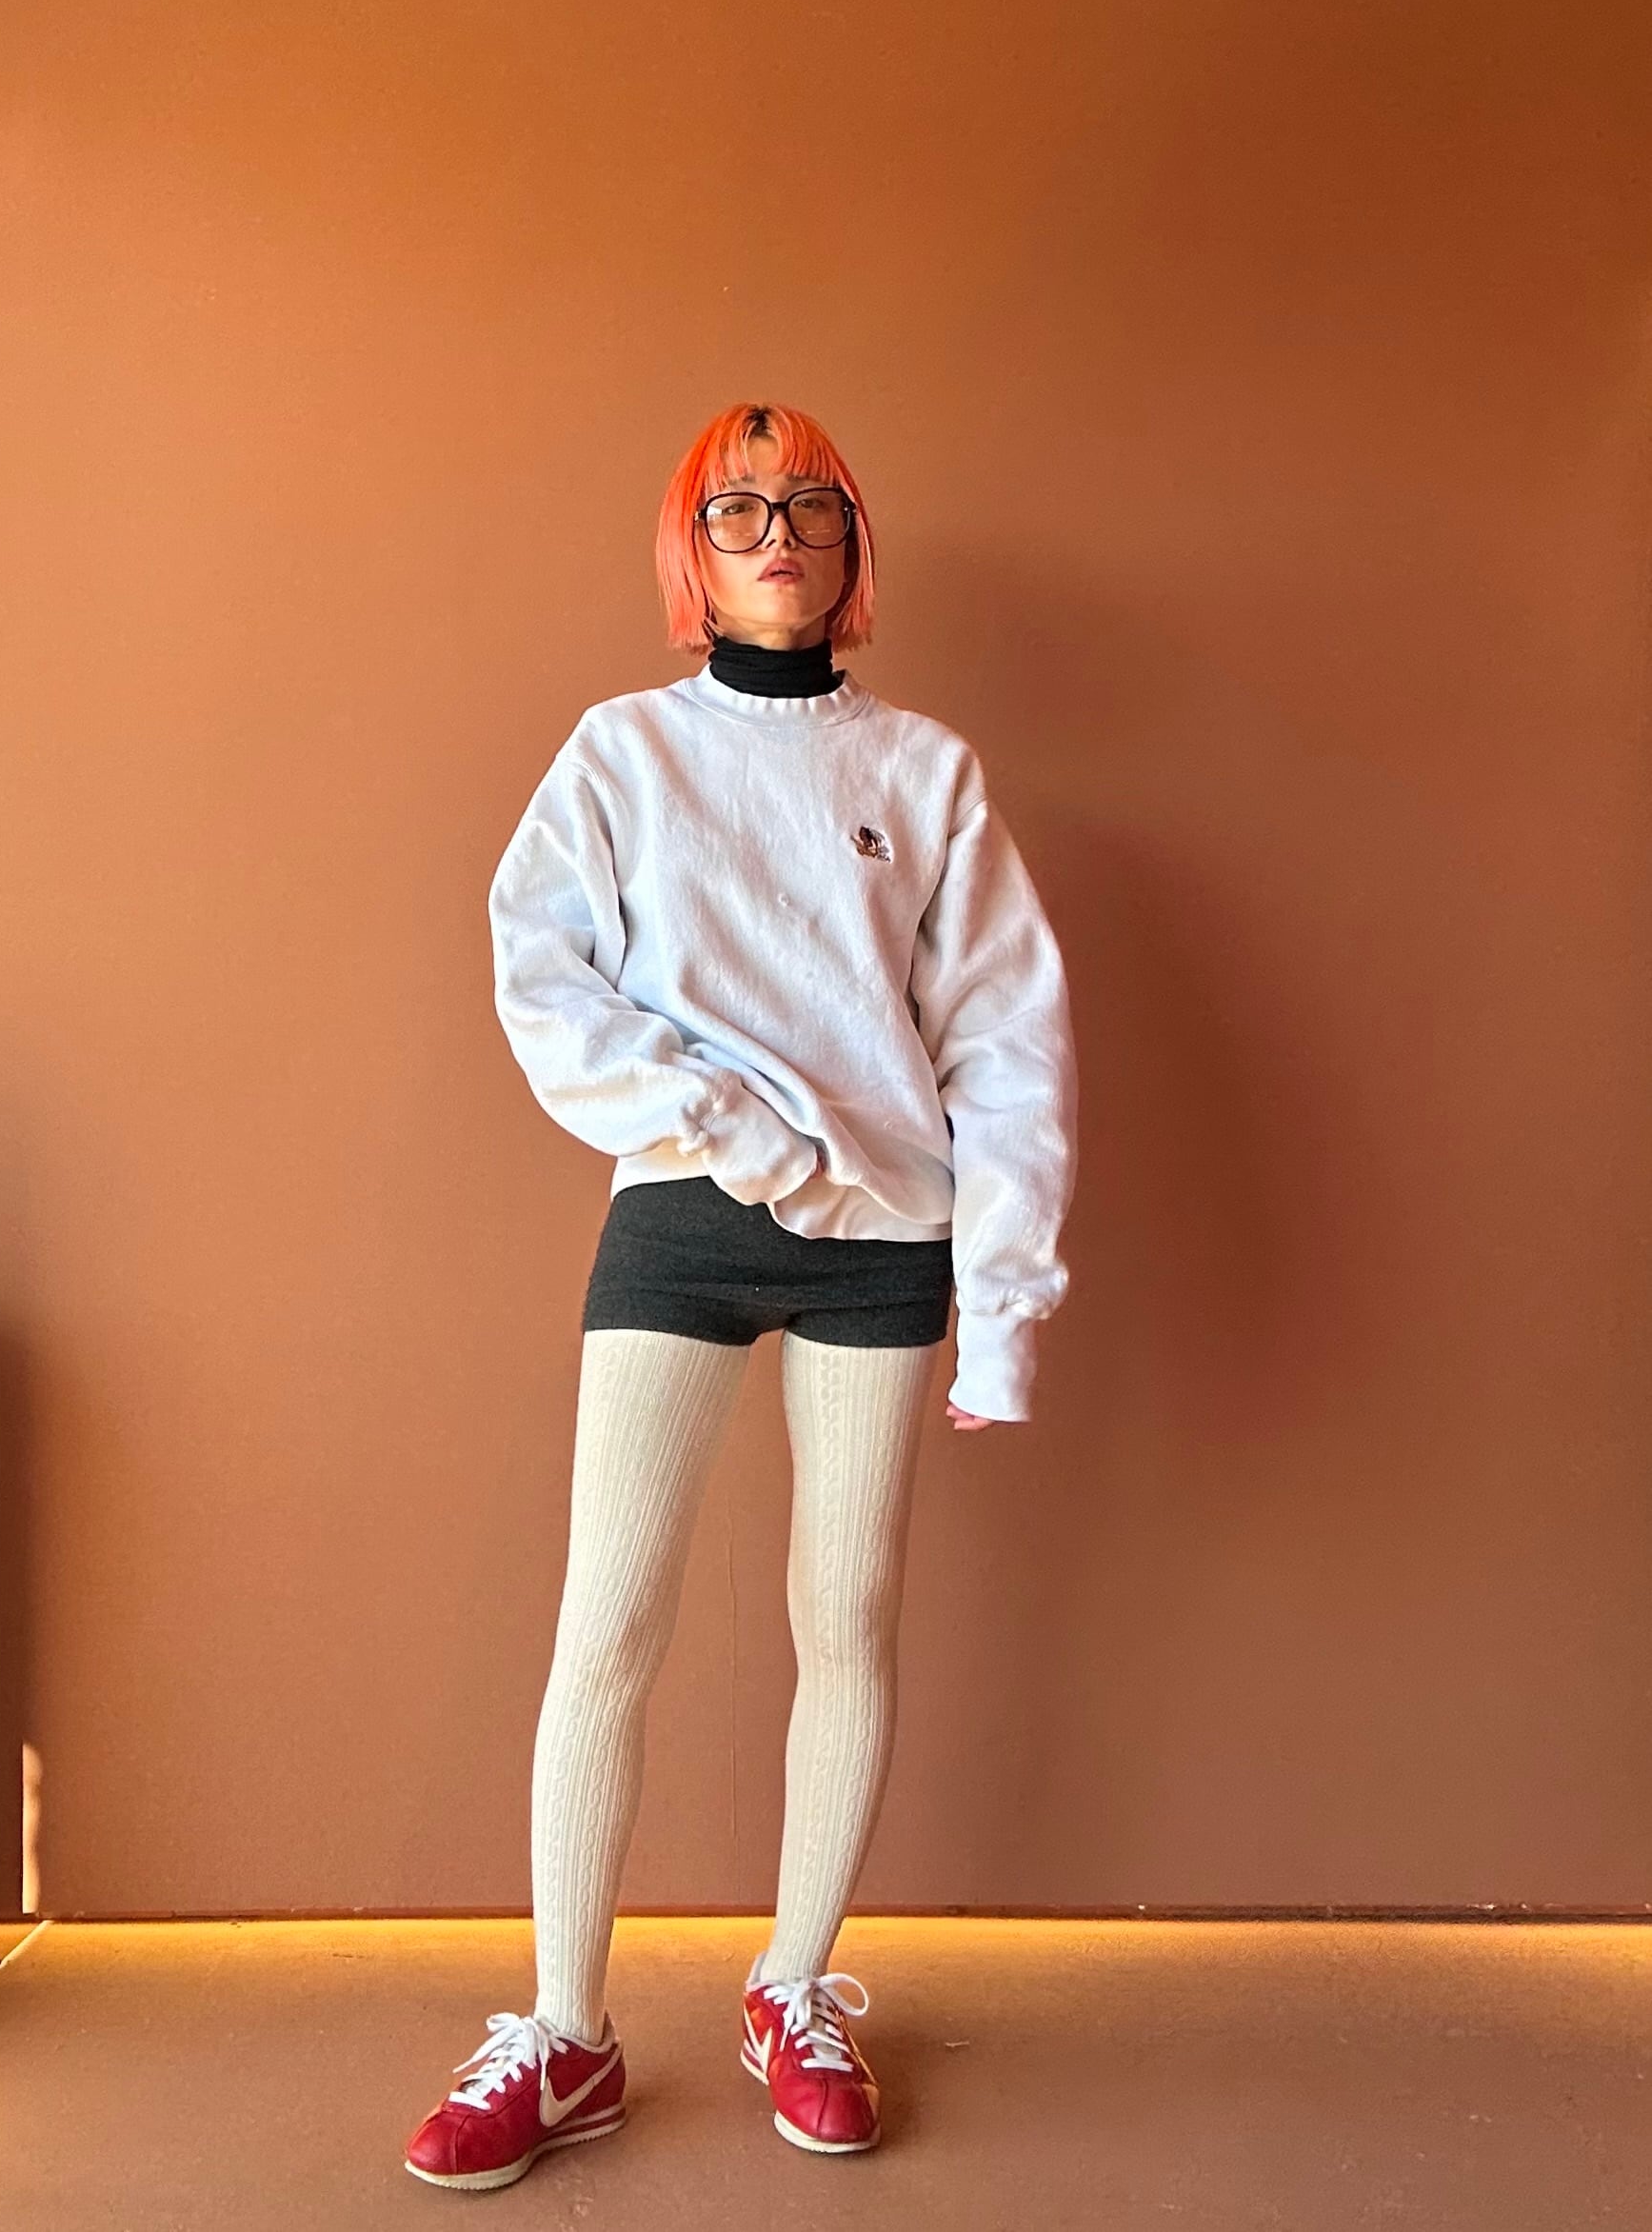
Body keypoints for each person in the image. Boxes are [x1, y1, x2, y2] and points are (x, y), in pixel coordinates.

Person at [403, 401, 1077, 2191]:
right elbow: (543, 977)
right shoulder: (621, 753)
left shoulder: (923, 771)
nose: (774, 532)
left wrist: (1002, 1305)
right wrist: (724, 1123)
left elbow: (1007, 1043)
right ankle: (566, 2031)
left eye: (809, 505)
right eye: (735, 506)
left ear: (853, 547)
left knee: (844, 1612)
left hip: (885, 1239)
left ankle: (794, 1989)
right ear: (686, 548)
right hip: (681, 1214)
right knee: (606, 1620)